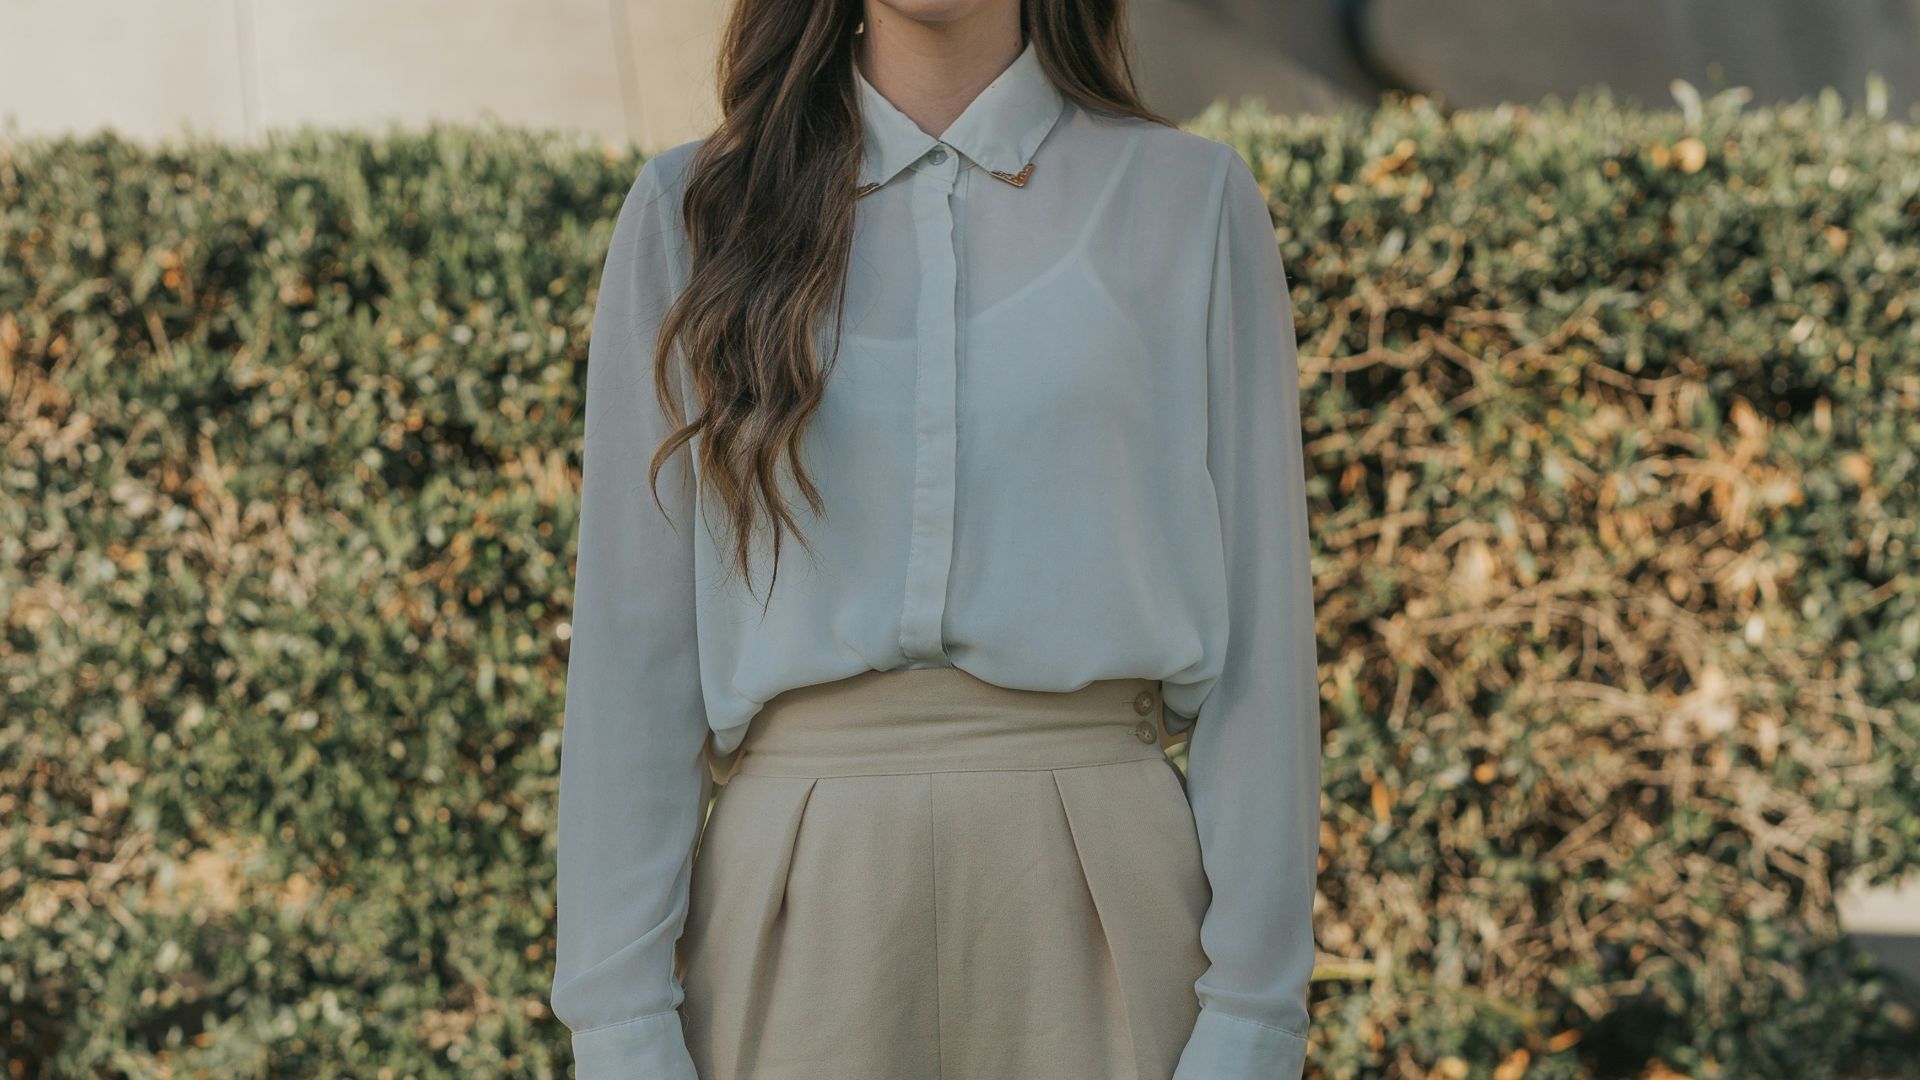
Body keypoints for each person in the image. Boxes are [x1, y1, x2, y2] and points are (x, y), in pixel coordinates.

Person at [548, 1, 1321, 1077]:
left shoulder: (1191, 200)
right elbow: (633, 659)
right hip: (791, 912)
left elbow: (1265, 645)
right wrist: (622, 1032)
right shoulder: (696, 210)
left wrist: (1252, 1019)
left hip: (1112, 891)